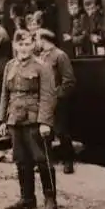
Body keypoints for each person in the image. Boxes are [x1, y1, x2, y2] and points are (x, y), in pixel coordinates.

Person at [0, 30, 58, 209]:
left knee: (42, 159)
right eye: (20, 45)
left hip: (34, 120)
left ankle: (50, 198)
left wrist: (45, 122)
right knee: (21, 161)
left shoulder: (42, 66)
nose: (23, 48)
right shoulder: (10, 66)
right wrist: (2, 119)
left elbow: (48, 96)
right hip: (15, 120)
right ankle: (27, 198)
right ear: (15, 46)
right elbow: (5, 94)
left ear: (33, 45)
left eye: (27, 44)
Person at [37, 28, 77, 174]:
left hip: (58, 102)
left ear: (43, 40)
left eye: (37, 39)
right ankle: (47, 163)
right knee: (44, 134)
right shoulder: (42, 56)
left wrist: (56, 95)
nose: (36, 42)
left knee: (62, 132)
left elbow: (69, 81)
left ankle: (68, 162)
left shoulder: (60, 56)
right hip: (44, 101)